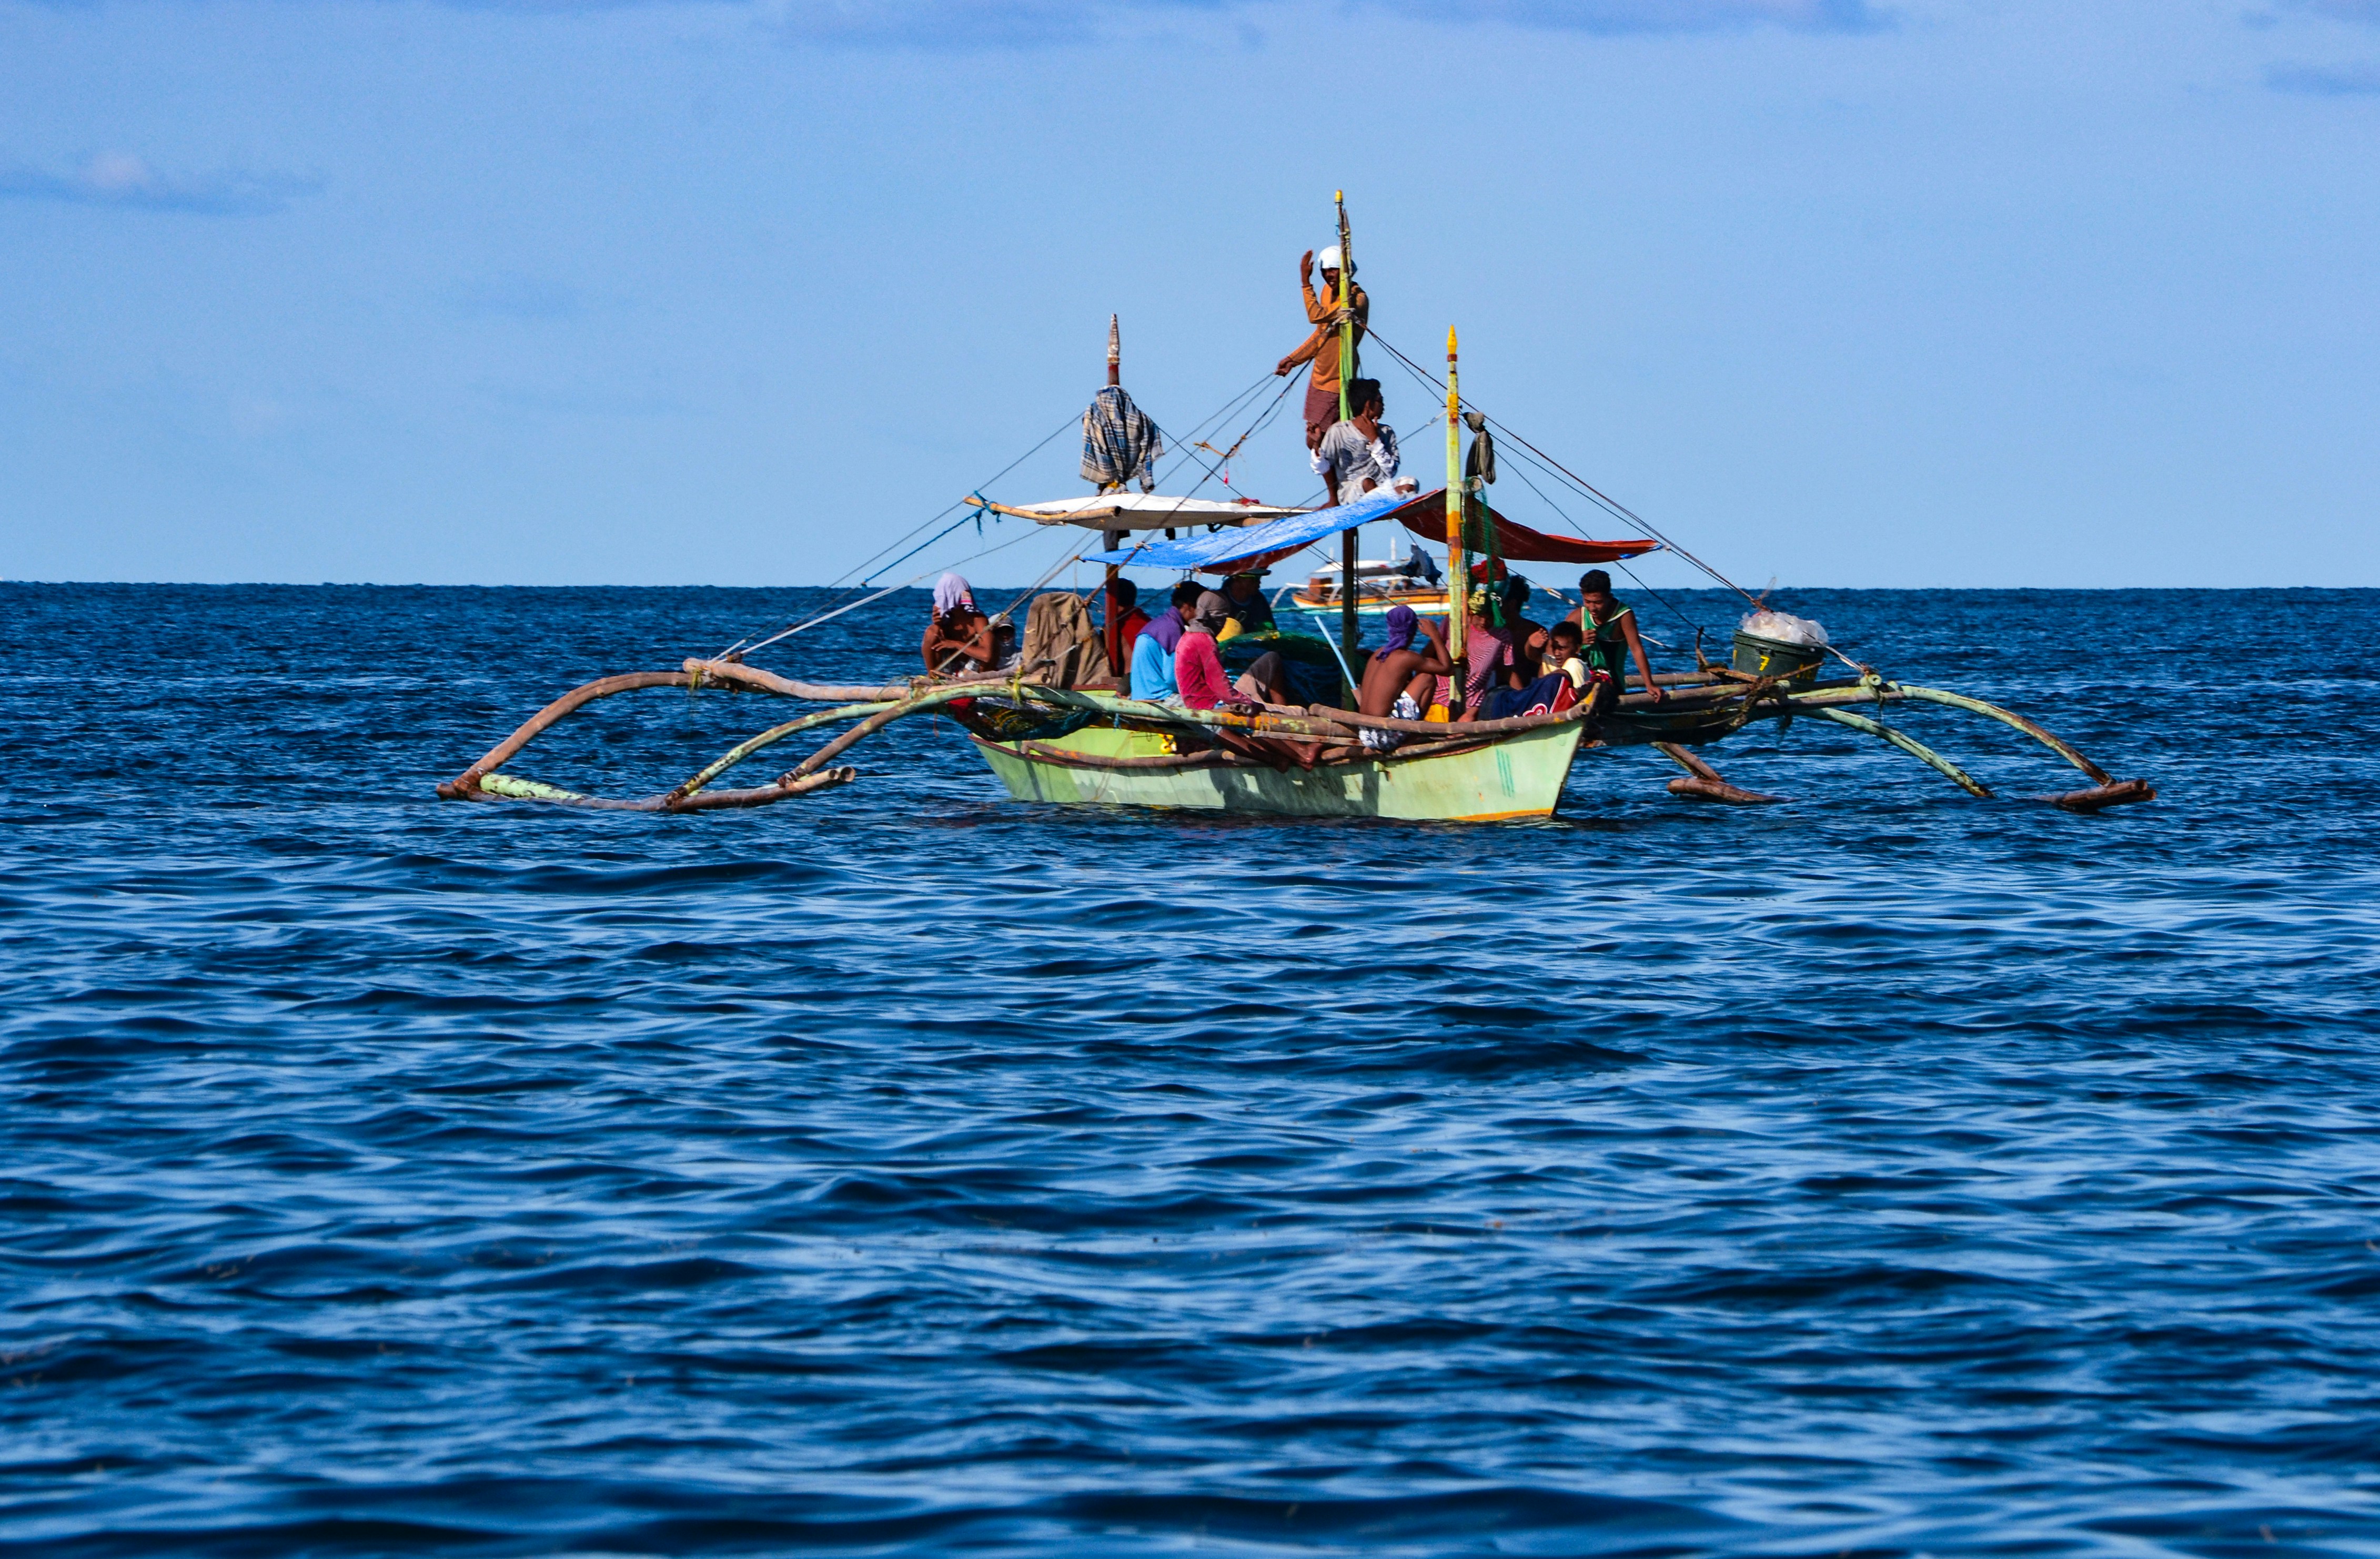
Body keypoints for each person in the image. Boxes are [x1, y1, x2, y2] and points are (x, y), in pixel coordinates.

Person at [1274, 245, 1370, 450]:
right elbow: (1321, 334)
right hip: (1319, 377)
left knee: (1324, 441)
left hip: (1338, 380)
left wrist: (1306, 284)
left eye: (1333, 270)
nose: (1328, 276)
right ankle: (1334, 480)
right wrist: (1294, 359)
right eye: (1324, 272)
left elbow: (1315, 315)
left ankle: (1337, 481)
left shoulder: (1355, 299)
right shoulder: (1327, 292)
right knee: (1315, 439)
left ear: (1345, 271)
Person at [1562, 569, 1666, 713]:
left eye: (1598, 603)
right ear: (1582, 595)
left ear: (1609, 597)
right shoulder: (1577, 617)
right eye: (1588, 602)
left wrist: (1649, 685)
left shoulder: (1623, 616)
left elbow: (1636, 649)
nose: (1592, 608)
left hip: (1610, 683)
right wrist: (1579, 642)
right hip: (1580, 680)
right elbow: (1557, 649)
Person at [1356, 604, 1455, 753]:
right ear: (1413, 631)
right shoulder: (1405, 658)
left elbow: (1421, 660)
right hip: (1385, 735)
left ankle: (1409, 733)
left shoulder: (1378, 654)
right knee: (1427, 678)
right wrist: (1435, 635)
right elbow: (1448, 669)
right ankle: (1414, 735)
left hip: (1366, 734)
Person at [1310, 380, 1415, 507]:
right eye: (1380, 401)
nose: (1384, 405)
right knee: (1366, 482)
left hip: (1382, 489)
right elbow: (1321, 467)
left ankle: (1381, 500)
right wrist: (1317, 445)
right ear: (1369, 405)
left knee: (1411, 484)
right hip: (1352, 493)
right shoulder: (1339, 431)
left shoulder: (1387, 432)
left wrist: (1375, 440)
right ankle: (1383, 501)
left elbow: (1391, 471)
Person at [922, 572, 1014, 676]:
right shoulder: (942, 616)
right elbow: (932, 641)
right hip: (948, 666)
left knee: (993, 643)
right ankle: (933, 677)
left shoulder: (977, 619)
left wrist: (956, 644)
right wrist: (938, 624)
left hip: (971, 671)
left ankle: (979, 681)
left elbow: (987, 655)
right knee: (932, 631)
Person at [1171, 592, 1243, 712]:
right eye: (1223, 618)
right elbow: (1222, 689)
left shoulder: (1188, 636)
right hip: (1205, 705)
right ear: (1216, 617)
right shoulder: (1204, 641)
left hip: (1193, 702)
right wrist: (1249, 702)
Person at [1101, 578, 1149, 680]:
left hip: (1128, 682)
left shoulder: (1113, 627)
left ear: (1110, 598)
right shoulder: (1148, 622)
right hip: (1150, 679)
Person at [1219, 570, 1276, 635]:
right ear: (1238, 579)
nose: (1259, 582)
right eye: (1254, 579)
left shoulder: (1259, 599)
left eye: (1259, 578)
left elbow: (1270, 624)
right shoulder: (1219, 598)